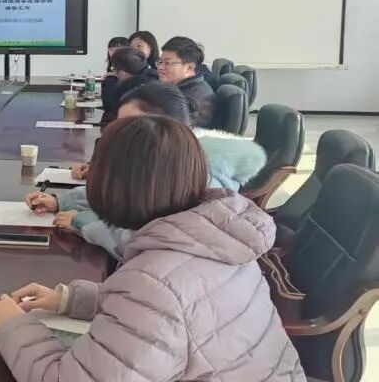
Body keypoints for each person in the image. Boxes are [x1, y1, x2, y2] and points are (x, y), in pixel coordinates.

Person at [0, 115, 317, 382]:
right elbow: (182, 313)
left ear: (114, 187)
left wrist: (14, 327)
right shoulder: (216, 236)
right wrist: (71, 299)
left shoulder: (156, 282)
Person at [27, 82, 266, 259]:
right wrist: (62, 202)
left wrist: (81, 221)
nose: (122, 134)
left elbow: (136, 241)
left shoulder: (200, 177)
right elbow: (125, 194)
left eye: (132, 126)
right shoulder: (163, 156)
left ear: (162, 127)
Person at [158, 35, 216, 127]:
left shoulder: (193, 100)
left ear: (189, 68)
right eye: (160, 62)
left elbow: (172, 130)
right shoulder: (180, 89)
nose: (160, 67)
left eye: (167, 63)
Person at [98, 46, 156, 123]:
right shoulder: (154, 76)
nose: (113, 72)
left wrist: (110, 80)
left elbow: (110, 108)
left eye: (114, 69)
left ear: (123, 73)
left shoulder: (131, 84)